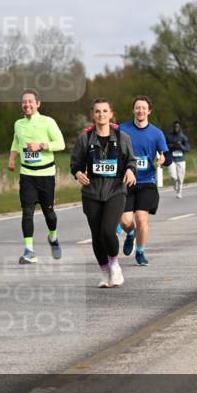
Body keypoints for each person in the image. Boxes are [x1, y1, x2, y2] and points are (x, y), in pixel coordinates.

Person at [71, 99, 136, 288]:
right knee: (97, 235)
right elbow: (75, 164)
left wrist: (131, 170)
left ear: (111, 114)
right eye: (97, 111)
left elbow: (131, 160)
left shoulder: (122, 138)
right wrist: (78, 174)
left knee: (108, 231)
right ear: (93, 115)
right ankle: (104, 271)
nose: (101, 115)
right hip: (92, 192)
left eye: (105, 111)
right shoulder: (85, 139)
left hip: (116, 190)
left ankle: (115, 265)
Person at [8, 89, 65, 264]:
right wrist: (12, 159)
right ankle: (29, 251)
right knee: (27, 212)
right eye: (24, 102)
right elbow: (16, 141)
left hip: (46, 175)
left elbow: (60, 144)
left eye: (30, 101)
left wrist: (41, 146)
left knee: (49, 213)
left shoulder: (48, 122)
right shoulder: (18, 124)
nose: (27, 105)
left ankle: (53, 237)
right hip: (27, 175)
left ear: (38, 103)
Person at [118, 96, 168, 266]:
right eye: (137, 107)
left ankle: (140, 252)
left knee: (141, 219)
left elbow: (165, 156)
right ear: (133, 110)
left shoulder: (156, 133)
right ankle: (130, 234)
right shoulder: (122, 129)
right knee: (125, 221)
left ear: (149, 111)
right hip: (126, 181)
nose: (140, 110)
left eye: (143, 108)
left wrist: (162, 159)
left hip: (147, 181)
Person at [165, 120, 190, 198]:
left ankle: (179, 192)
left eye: (178, 127)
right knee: (173, 175)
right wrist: (170, 146)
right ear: (173, 127)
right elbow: (164, 146)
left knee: (180, 176)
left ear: (180, 127)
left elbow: (188, 148)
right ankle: (174, 183)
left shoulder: (183, 137)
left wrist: (181, 146)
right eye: (175, 127)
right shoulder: (168, 136)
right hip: (171, 158)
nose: (176, 128)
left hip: (181, 159)